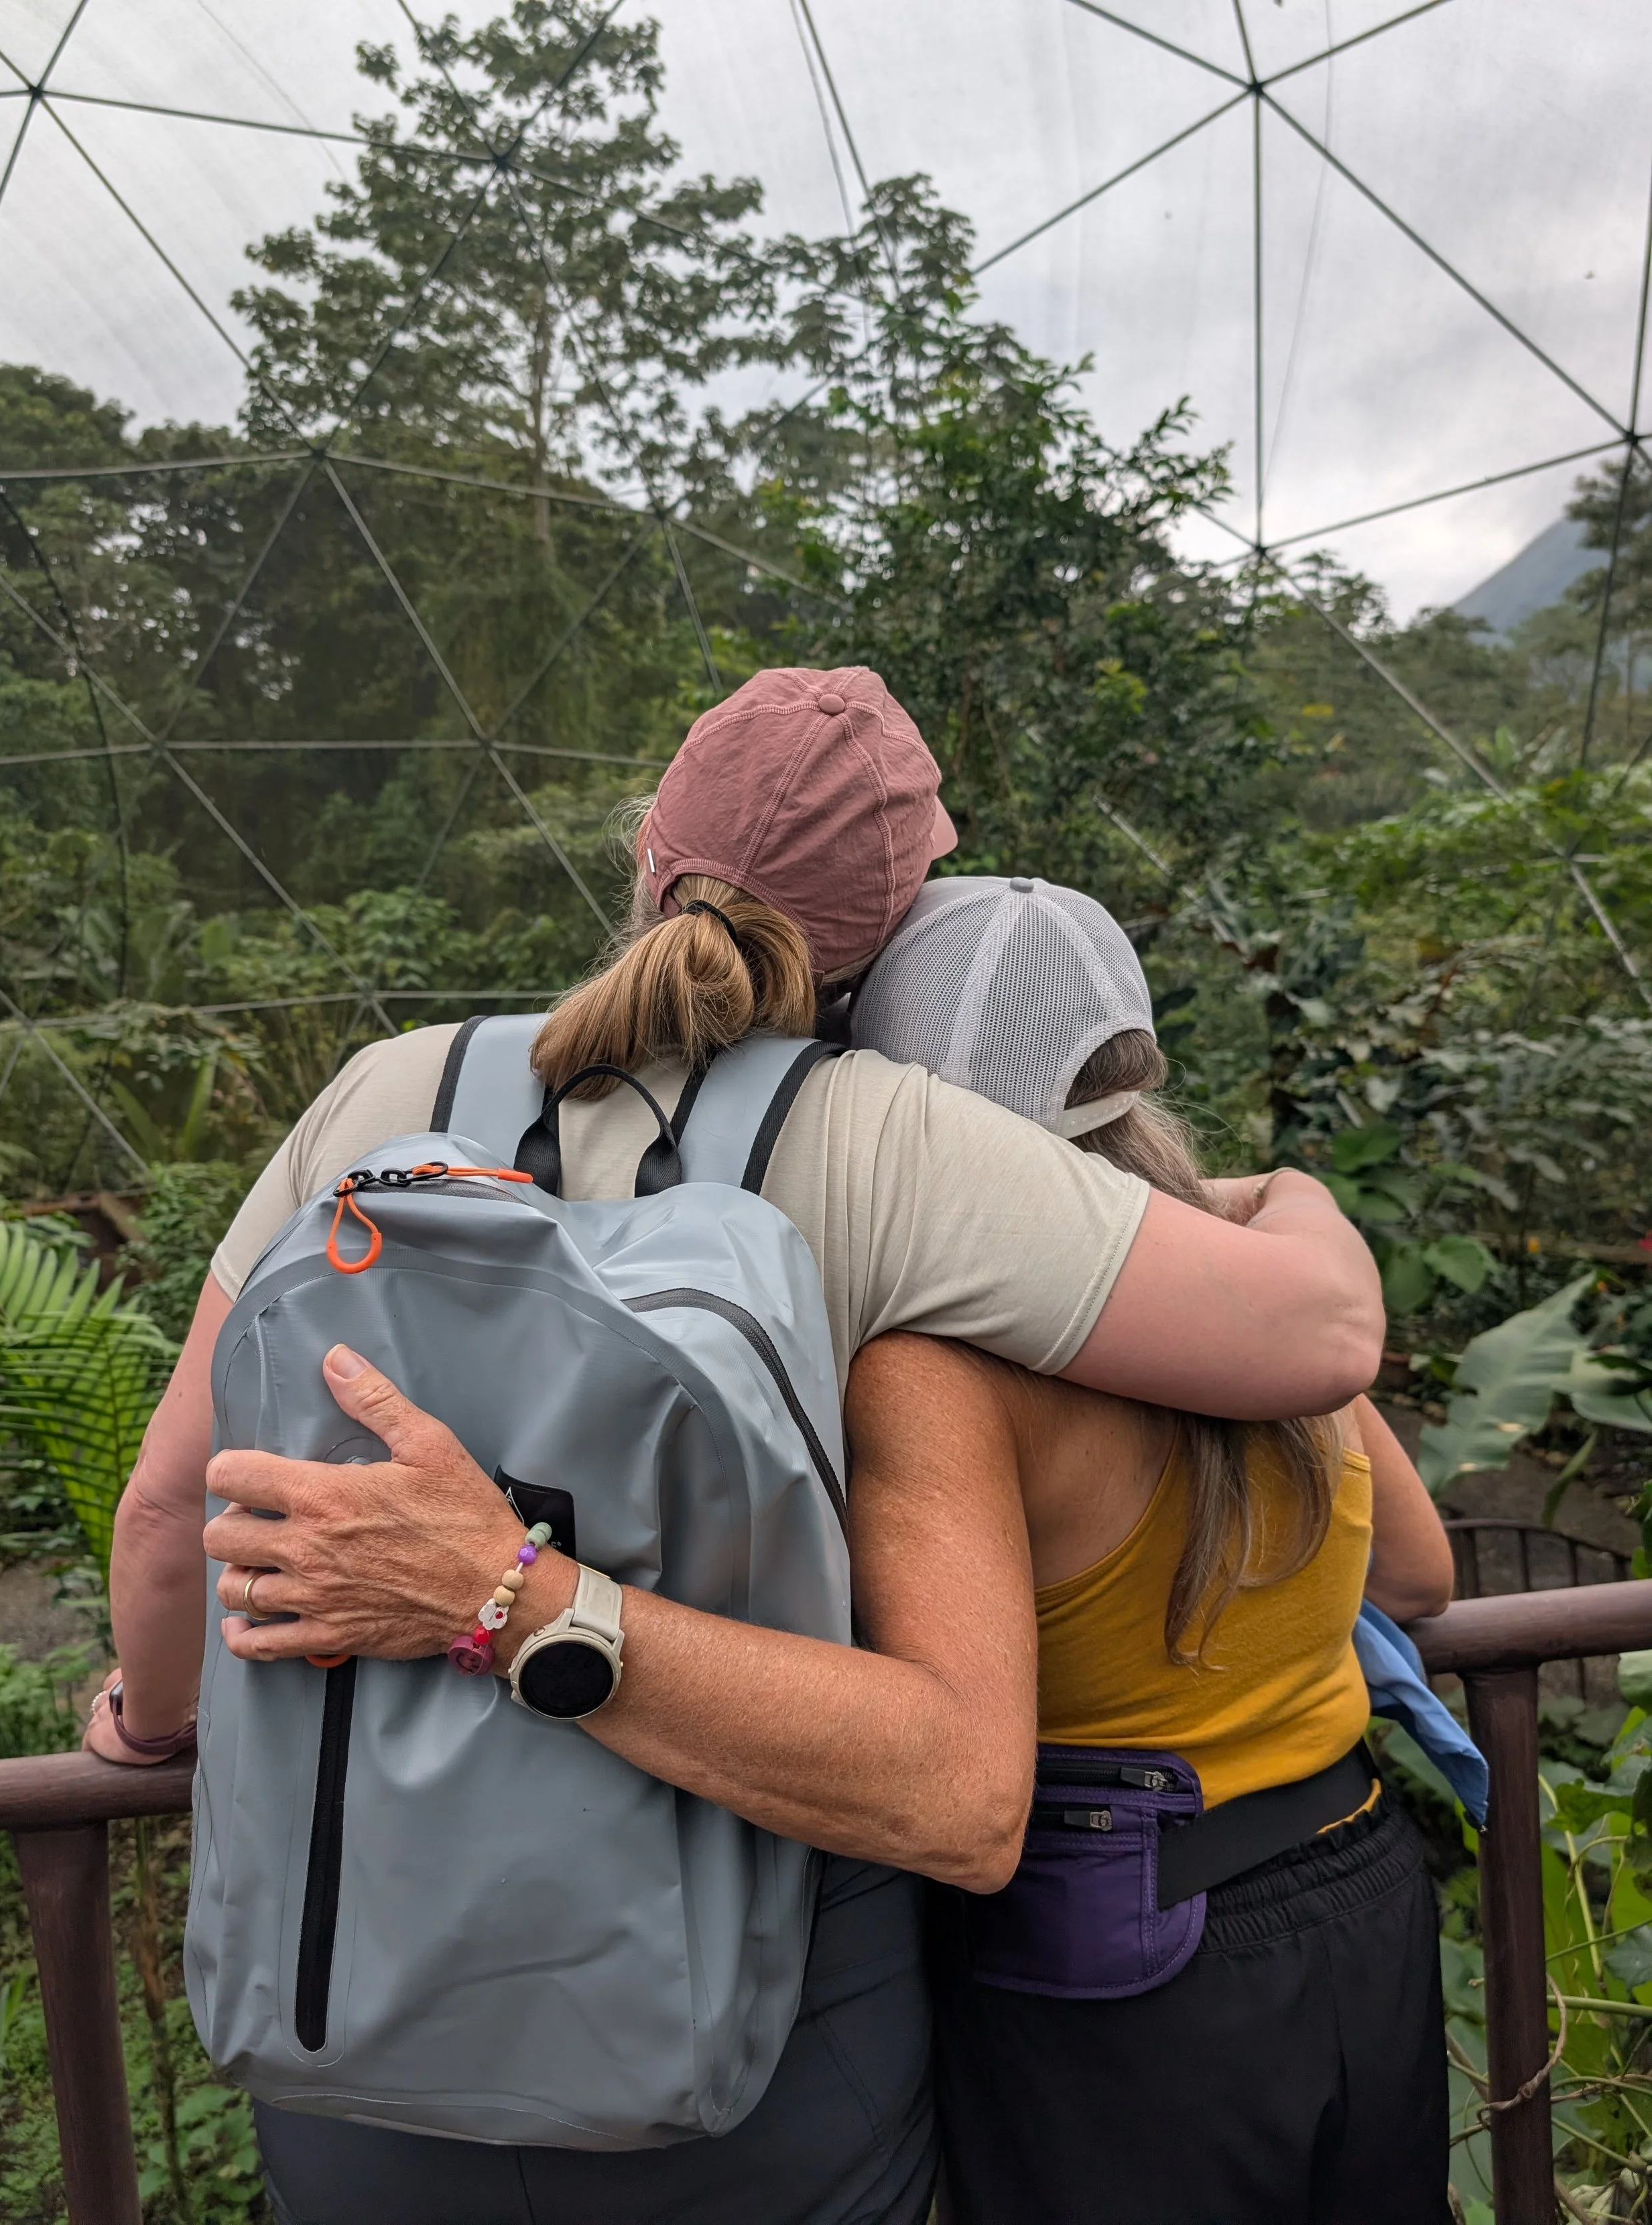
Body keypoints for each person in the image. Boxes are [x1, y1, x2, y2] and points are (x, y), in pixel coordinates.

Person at [88, 668, 1384, 2225]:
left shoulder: (387, 1088)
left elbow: (172, 1509)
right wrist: (1279, 1190)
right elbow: (1314, 1342)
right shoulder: (898, 1142)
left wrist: (148, 1730)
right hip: (748, 2051)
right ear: (895, 923)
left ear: (646, 852)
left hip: (352, 2001)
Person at [846, 873, 1457, 2225]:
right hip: (1359, 1894)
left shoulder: (937, 1363)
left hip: (1120, 1974)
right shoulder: (1246, 1295)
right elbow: (1418, 1579)